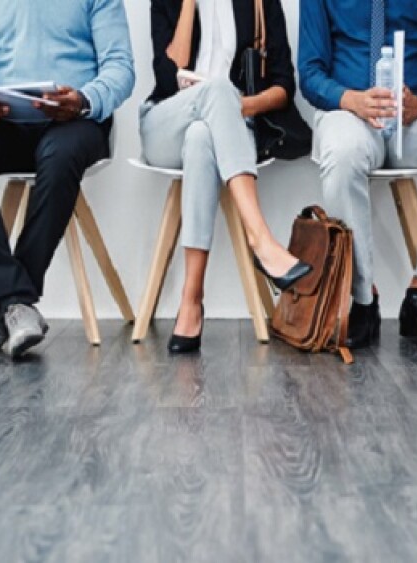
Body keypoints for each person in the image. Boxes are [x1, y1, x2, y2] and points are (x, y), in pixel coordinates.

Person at [0, 0, 135, 358]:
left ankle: (8, 303)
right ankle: (16, 303)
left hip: (76, 121)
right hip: (7, 122)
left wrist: (83, 100)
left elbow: (120, 67)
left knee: (59, 154)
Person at [299, 0, 417, 353]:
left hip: (411, 119)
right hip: (349, 112)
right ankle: (362, 299)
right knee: (342, 151)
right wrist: (350, 99)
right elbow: (310, 72)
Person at [142, 0, 312, 354]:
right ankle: (262, 242)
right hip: (165, 123)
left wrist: (243, 106)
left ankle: (191, 300)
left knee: (203, 136)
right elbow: (166, 76)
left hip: (226, 128)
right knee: (216, 92)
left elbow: (284, 85)